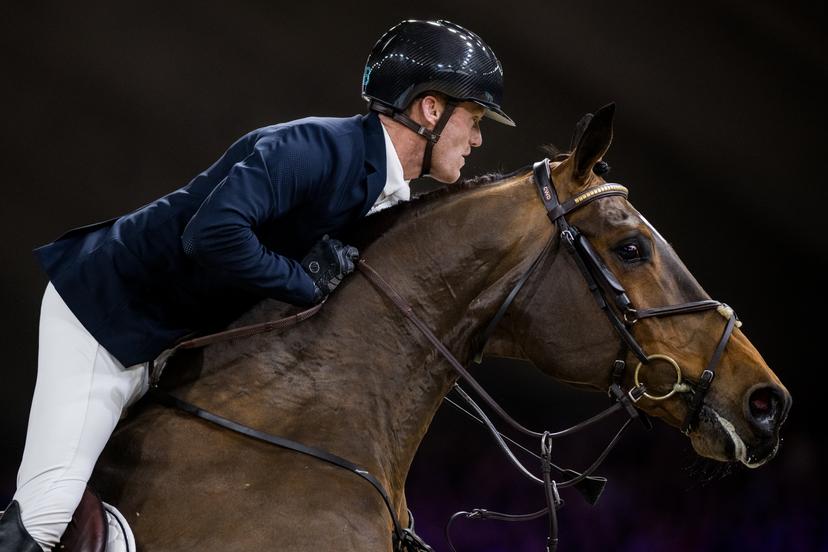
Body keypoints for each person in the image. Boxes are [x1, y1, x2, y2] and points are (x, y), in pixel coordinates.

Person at [0, 19, 515, 551]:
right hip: (106, 318)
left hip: (172, 342)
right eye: (474, 119)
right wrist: (301, 279)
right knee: (45, 516)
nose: (477, 138)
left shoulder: (385, 193)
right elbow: (211, 233)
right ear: (431, 109)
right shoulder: (316, 147)